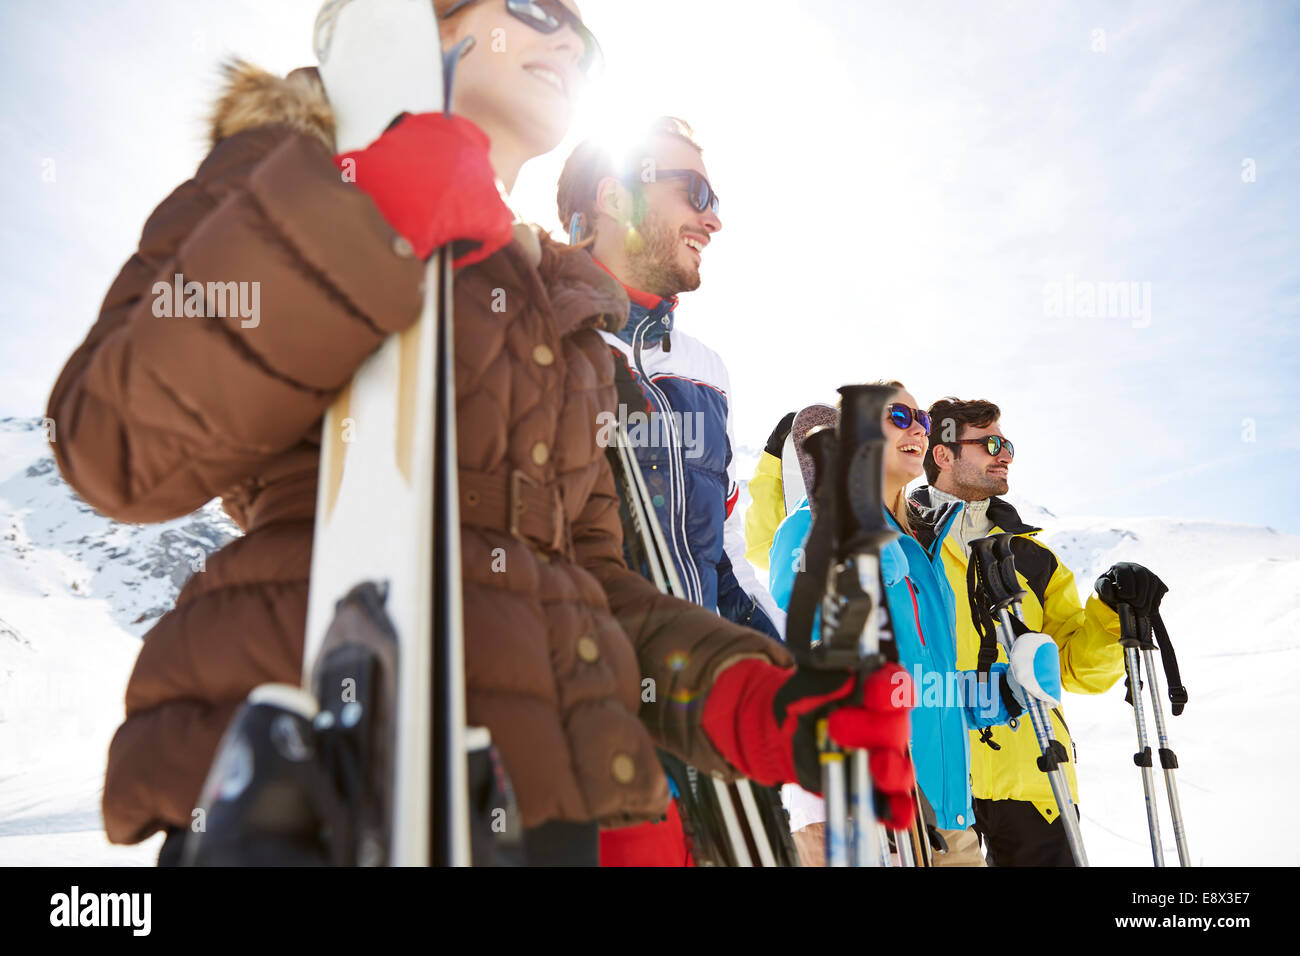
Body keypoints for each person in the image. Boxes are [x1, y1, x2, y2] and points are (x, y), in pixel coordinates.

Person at [47, 0, 913, 867]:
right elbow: (112, 445)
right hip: (299, 767)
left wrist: (755, 700)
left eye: (586, 34)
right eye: (535, 10)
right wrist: (362, 212)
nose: (568, 39)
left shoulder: (559, 306)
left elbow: (594, 589)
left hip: (560, 799)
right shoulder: (290, 170)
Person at [556, 117, 786, 864]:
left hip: (716, 748)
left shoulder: (705, 370)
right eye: (696, 191)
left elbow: (715, 564)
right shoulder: (532, 338)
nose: (714, 218)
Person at [760, 385, 1021, 866]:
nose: (919, 427)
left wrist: (1001, 694)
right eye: (898, 415)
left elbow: (926, 688)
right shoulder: (808, 529)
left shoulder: (921, 552)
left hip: (945, 817)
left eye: (920, 417)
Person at [914, 396, 1146, 866]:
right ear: (943, 454)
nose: (1005, 455)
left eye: (1008, 445)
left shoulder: (1032, 557)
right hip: (935, 772)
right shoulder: (902, 540)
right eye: (991, 443)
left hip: (1034, 772)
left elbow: (1077, 672)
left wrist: (1110, 614)